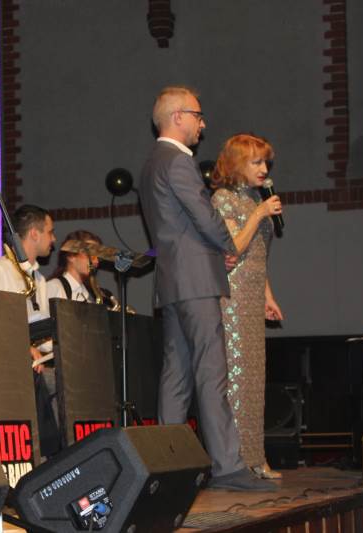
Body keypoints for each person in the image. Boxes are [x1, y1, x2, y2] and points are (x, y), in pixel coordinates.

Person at [138, 86, 275, 491]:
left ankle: (168, 466)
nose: (203, 124)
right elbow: (203, 215)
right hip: (196, 281)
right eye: (198, 116)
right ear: (178, 117)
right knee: (212, 373)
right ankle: (228, 467)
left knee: (176, 377)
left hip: (173, 281)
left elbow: (177, 225)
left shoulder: (151, 163)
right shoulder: (178, 161)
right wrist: (228, 248)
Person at [211, 133, 284, 479]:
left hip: (253, 295)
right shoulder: (222, 199)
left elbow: (259, 256)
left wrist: (268, 296)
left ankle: (257, 456)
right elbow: (233, 249)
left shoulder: (257, 199)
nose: (264, 168)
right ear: (237, 164)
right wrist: (259, 214)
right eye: (256, 162)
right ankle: (237, 461)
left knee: (255, 378)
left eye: (265, 161)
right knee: (237, 380)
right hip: (233, 295)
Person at [0, 204, 60, 455]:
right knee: (50, 382)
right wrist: (23, 347)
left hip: (31, 361)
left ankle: (55, 454)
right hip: (3, 365)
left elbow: (40, 331)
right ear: (34, 233)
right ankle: (46, 453)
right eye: (50, 232)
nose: (54, 239)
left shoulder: (39, 279)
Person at [48, 229, 104, 303]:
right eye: (90, 254)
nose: (96, 261)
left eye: (97, 257)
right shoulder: (54, 287)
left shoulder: (86, 297)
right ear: (71, 256)